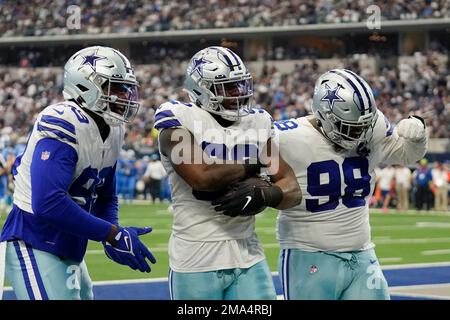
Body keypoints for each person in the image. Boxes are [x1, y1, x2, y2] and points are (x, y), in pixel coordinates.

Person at [0, 46, 156, 300]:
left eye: (127, 88)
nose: (125, 96)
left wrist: (111, 234)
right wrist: (112, 234)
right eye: (115, 87)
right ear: (86, 86)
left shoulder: (113, 129)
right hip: (34, 237)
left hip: (70, 243)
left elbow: (106, 196)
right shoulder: (64, 121)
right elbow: (48, 202)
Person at [155, 46, 301, 300]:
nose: (239, 93)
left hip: (248, 253)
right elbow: (202, 177)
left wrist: (267, 196)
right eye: (228, 87)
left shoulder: (257, 121)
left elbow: (293, 189)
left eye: (241, 85)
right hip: (196, 257)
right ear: (201, 88)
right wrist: (254, 166)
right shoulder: (177, 118)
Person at [273, 69, 427, 300]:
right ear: (326, 116)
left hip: (363, 253)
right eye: (352, 128)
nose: (362, 133)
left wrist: (418, 136)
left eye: (365, 125)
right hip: (309, 255)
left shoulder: (370, 125)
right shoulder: (286, 137)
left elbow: (406, 155)